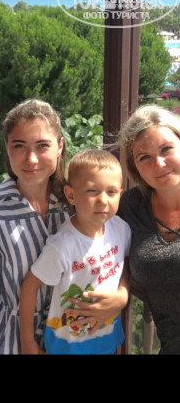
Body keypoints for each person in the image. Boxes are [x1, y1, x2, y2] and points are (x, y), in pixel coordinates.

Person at [20, 149, 131, 354]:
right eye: (92, 191)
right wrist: (27, 342)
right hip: (67, 346)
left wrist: (122, 294)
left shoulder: (121, 229)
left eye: (111, 192)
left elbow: (124, 264)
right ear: (71, 195)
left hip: (107, 339)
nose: (103, 200)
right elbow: (29, 286)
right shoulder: (62, 246)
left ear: (120, 194)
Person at [0, 99, 70, 354]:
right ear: (7, 148)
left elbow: (114, 242)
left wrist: (119, 296)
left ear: (59, 146)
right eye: (19, 146)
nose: (31, 159)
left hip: (69, 333)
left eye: (42, 146)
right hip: (9, 336)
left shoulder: (75, 202)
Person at [117, 104, 180, 354]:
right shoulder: (131, 207)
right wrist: (121, 292)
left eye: (166, 149)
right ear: (135, 168)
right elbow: (106, 249)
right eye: (144, 157)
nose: (159, 163)